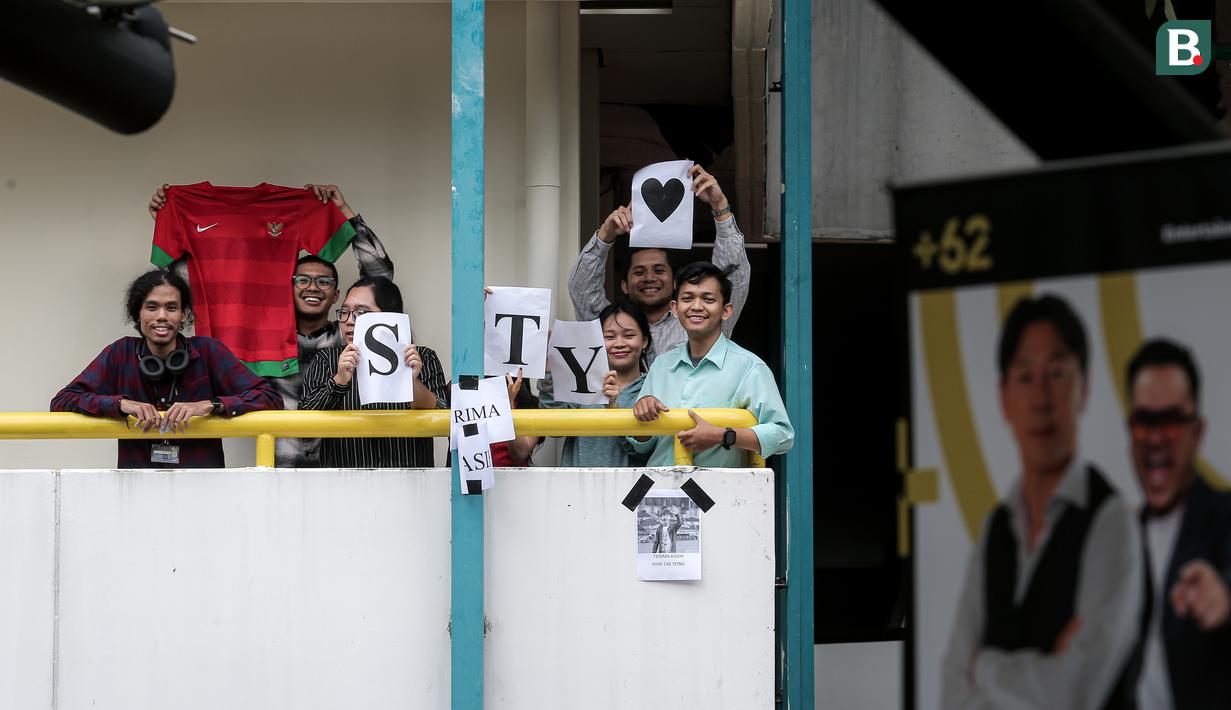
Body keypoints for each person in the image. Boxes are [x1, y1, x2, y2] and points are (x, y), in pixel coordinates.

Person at [940, 294, 1144, 710]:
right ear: (1003, 398)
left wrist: (987, 669)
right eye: (1025, 377)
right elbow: (952, 691)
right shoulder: (996, 527)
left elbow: (1076, 691)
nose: (1041, 398)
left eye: (1056, 373)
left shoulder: (1110, 520)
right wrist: (1044, 667)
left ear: (1084, 387)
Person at [149, 182, 395, 467]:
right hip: (282, 473)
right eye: (302, 280)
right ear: (285, 286)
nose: (312, 288)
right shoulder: (262, 344)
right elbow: (197, 284)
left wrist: (344, 212)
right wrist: (174, 226)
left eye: (324, 282)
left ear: (336, 294)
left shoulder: (346, 336)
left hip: (342, 471)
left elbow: (381, 276)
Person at [51, 269, 282, 468]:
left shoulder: (208, 351)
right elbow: (62, 401)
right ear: (137, 313)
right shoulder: (121, 353)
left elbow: (270, 398)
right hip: (138, 489)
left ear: (184, 315)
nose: (161, 316)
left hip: (202, 487)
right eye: (152, 307)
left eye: (171, 308)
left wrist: (210, 405)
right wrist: (120, 404)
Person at [1125, 339, 1231, 709]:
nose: (1155, 438)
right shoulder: (1117, 541)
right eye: (1144, 422)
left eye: (1170, 422)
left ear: (1197, 432)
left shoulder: (1225, 518)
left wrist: (1227, 598)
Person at [568, 164, 750, 364]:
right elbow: (582, 291)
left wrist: (720, 206)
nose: (649, 277)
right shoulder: (611, 325)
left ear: (674, 283)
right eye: (639, 271)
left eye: (659, 270)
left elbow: (732, 276)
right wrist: (605, 235)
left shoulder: (701, 320)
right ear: (624, 285)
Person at [630, 261, 792, 467]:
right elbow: (641, 447)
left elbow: (783, 435)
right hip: (659, 491)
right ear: (675, 308)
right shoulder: (661, 365)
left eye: (708, 299)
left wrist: (723, 436)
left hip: (717, 494)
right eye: (687, 298)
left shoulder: (749, 367)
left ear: (726, 311)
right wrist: (643, 415)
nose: (696, 306)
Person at [298, 276, 447, 468]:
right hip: (344, 486)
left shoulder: (423, 357)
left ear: (390, 317)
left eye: (360, 313)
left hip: (410, 485)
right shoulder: (326, 359)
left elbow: (445, 419)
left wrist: (410, 383)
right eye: (344, 312)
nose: (349, 321)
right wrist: (338, 381)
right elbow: (303, 422)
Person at [538, 301, 652, 467]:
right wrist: (549, 372)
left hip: (630, 490)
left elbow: (643, 452)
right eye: (609, 337)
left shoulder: (653, 385)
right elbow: (552, 429)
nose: (619, 343)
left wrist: (613, 407)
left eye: (628, 336)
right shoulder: (583, 381)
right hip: (577, 489)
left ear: (644, 341)